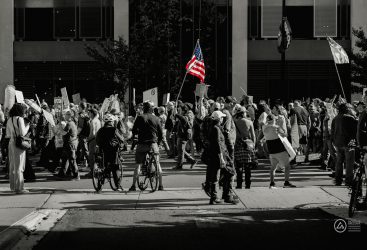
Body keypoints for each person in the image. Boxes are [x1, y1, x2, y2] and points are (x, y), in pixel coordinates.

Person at [129, 101, 164, 191]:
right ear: (151, 108)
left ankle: (133, 186)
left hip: (141, 144)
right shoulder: (156, 118)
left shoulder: (140, 117)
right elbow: (160, 134)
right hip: (153, 144)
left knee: (138, 165)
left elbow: (134, 131)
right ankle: (160, 185)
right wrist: (158, 143)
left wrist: (137, 135)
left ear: (144, 108)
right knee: (157, 164)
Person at [206, 110, 238, 204]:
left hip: (216, 156)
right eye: (222, 118)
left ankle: (218, 196)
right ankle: (222, 196)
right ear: (219, 119)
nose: (223, 119)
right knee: (228, 173)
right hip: (219, 156)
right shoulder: (216, 128)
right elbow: (218, 144)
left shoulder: (214, 127)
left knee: (218, 176)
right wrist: (222, 158)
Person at [262, 114, 296, 188]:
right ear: (274, 120)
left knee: (273, 167)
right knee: (287, 166)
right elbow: (284, 135)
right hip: (280, 149)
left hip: (271, 151)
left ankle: (272, 183)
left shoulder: (264, 127)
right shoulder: (276, 127)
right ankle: (286, 182)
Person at [331, 103, 357, 186]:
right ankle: (348, 180)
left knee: (339, 162)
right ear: (347, 109)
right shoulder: (349, 118)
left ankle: (338, 180)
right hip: (348, 142)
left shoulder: (335, 118)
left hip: (338, 143)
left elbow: (332, 131)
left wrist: (334, 141)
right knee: (349, 163)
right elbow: (356, 130)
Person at [6, 103, 30, 194]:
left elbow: (7, 134)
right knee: (19, 166)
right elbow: (23, 133)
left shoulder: (9, 120)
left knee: (12, 166)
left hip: (11, 143)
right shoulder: (20, 119)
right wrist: (28, 126)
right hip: (18, 144)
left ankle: (13, 187)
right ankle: (19, 188)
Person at [233, 106, 256, 189]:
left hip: (238, 144)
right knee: (247, 166)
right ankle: (248, 184)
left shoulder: (234, 122)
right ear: (243, 113)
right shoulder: (249, 122)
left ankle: (239, 184)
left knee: (238, 166)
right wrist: (253, 146)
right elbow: (253, 136)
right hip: (247, 145)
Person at [96, 114, 122, 185]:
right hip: (113, 151)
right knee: (115, 167)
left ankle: (101, 182)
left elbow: (97, 140)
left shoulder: (100, 130)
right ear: (112, 122)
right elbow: (121, 139)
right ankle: (117, 185)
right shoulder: (114, 130)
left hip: (103, 151)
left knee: (103, 165)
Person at [55, 110, 79, 180]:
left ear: (69, 116)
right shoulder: (72, 123)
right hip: (70, 143)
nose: (65, 115)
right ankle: (62, 173)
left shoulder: (69, 124)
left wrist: (59, 124)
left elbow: (63, 133)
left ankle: (76, 175)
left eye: (66, 114)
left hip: (70, 143)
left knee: (72, 160)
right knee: (65, 158)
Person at [172, 103, 197, 169]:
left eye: (185, 106)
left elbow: (184, 120)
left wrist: (177, 114)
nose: (184, 107)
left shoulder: (189, 113)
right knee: (181, 149)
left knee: (180, 150)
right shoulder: (186, 113)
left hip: (184, 134)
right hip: (182, 133)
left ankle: (179, 165)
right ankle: (192, 160)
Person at [87, 108, 101, 175]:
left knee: (91, 157)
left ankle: (92, 172)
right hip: (98, 140)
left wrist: (88, 139)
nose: (88, 114)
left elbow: (93, 133)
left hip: (93, 140)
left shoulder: (93, 121)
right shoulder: (98, 121)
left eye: (89, 113)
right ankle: (94, 171)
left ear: (92, 114)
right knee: (95, 156)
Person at [76, 102, 90, 167]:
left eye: (79, 107)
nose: (78, 108)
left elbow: (80, 127)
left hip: (82, 135)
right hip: (85, 134)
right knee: (78, 149)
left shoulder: (81, 116)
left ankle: (91, 164)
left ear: (81, 107)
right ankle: (76, 162)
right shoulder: (86, 114)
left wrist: (76, 134)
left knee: (85, 150)